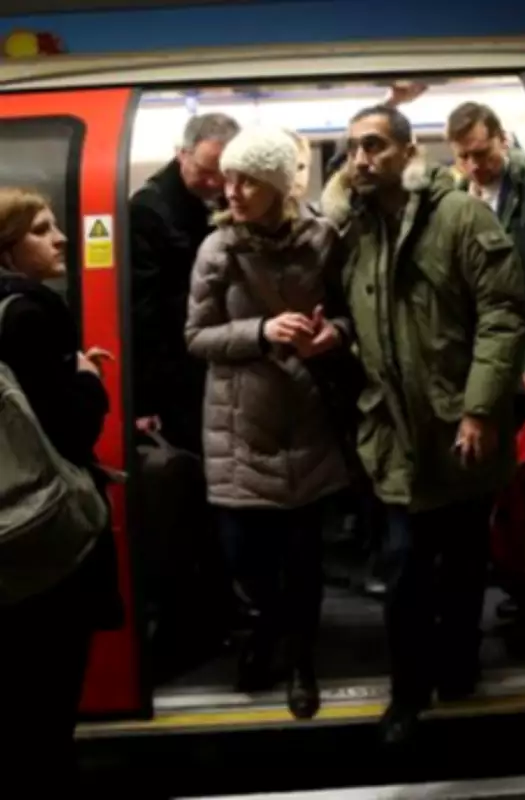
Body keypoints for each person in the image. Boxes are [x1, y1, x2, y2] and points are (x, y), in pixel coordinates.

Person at [321, 105, 525, 745]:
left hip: (459, 430)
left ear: (409, 153)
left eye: (376, 145)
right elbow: (363, 318)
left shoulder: (461, 217)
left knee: (465, 563)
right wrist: (335, 337)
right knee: (406, 568)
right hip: (394, 437)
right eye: (354, 148)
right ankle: (409, 693)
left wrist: (480, 407)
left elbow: (503, 314)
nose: (362, 158)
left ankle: (460, 665)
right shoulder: (355, 230)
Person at [185, 126, 352, 717]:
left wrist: (334, 335)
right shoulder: (217, 249)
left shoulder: (324, 240)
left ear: (279, 185)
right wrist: (260, 331)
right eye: (227, 177)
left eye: (246, 180)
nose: (230, 190)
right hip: (238, 428)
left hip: (306, 421)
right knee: (248, 563)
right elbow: (196, 337)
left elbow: (352, 314)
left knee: (304, 565)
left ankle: (301, 661)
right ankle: (267, 633)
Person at [0, 187, 123, 791]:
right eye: (42, 230)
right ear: (7, 249)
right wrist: (87, 378)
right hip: (39, 543)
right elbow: (70, 430)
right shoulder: (29, 311)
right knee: (46, 705)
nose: (61, 239)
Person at [130, 112, 240, 452]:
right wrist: (146, 397)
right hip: (178, 367)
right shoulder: (149, 210)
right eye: (204, 171)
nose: (214, 183)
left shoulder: (230, 197)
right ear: (182, 154)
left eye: (222, 174)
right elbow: (144, 312)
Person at [446, 102, 525, 408]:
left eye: (481, 154)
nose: (472, 166)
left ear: (503, 140)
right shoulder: (454, 200)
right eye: (463, 157)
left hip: (523, 348)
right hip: (477, 351)